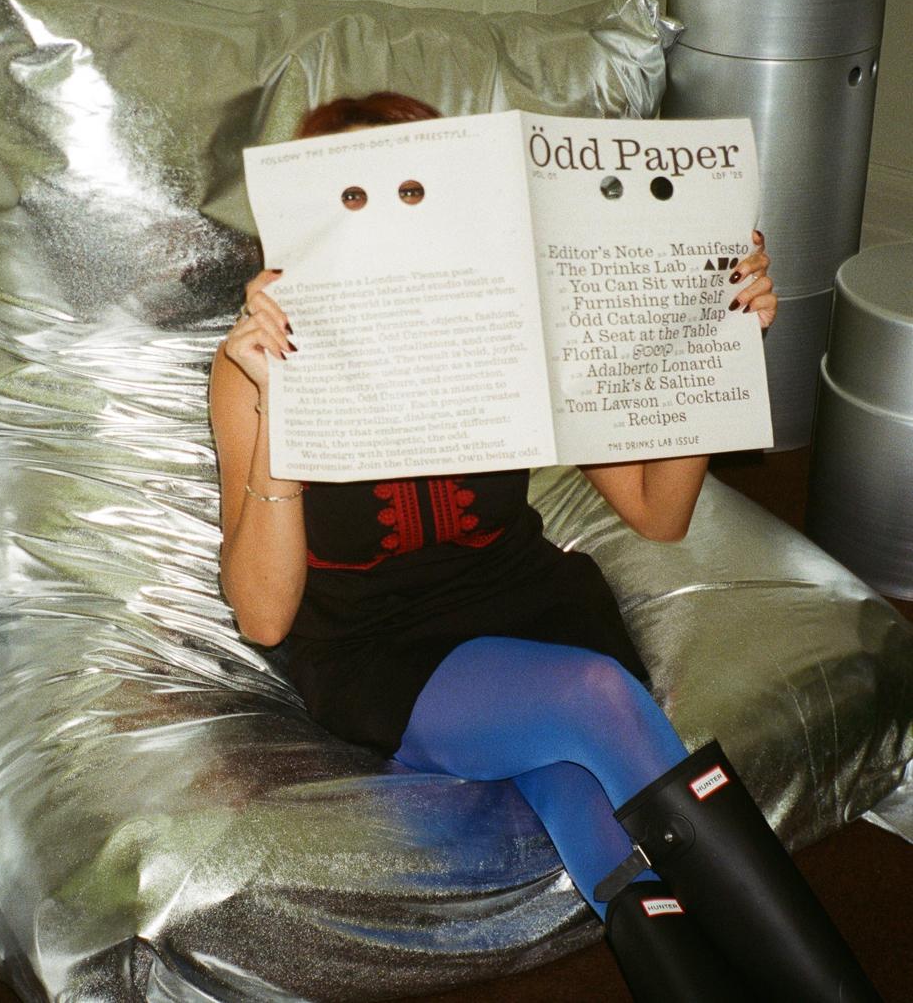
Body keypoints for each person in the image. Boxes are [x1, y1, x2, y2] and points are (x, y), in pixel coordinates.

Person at [209, 93, 880, 1002]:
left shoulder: (512, 320)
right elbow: (263, 611)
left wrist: (710, 352)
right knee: (594, 699)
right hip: (381, 650)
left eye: (411, 186)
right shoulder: (255, 361)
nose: (382, 218)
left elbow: (656, 510)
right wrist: (285, 410)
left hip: (525, 599)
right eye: (350, 196)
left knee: (571, 784)